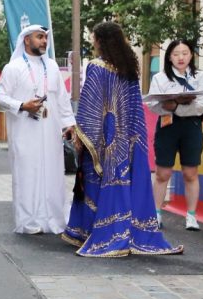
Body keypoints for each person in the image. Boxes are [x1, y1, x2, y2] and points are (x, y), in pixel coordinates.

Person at [62, 22, 183, 257]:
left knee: (94, 177)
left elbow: (90, 107)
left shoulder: (97, 67)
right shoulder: (128, 70)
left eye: (94, 39)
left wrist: (79, 134)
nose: (93, 43)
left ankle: (94, 231)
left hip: (104, 136)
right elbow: (134, 109)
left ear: (100, 41)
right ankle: (128, 231)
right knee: (124, 183)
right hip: (128, 137)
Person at [0, 25, 76, 234]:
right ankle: (29, 222)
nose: (43, 41)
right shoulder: (13, 68)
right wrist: (23, 106)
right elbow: (0, 97)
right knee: (27, 174)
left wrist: (69, 124)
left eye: (45, 38)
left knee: (53, 172)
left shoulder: (52, 66)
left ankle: (54, 219)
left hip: (51, 130)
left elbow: (61, 98)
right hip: (25, 131)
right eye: (39, 37)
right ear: (26, 40)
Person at [146, 39, 203, 230]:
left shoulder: (201, 77)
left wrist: (175, 107)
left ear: (191, 55)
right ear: (169, 57)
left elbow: (200, 107)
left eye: (184, 53)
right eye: (176, 54)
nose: (180, 57)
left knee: (190, 172)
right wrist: (171, 107)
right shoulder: (160, 78)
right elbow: (153, 105)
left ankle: (191, 216)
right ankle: (156, 213)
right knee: (162, 172)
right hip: (167, 127)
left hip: (191, 127)